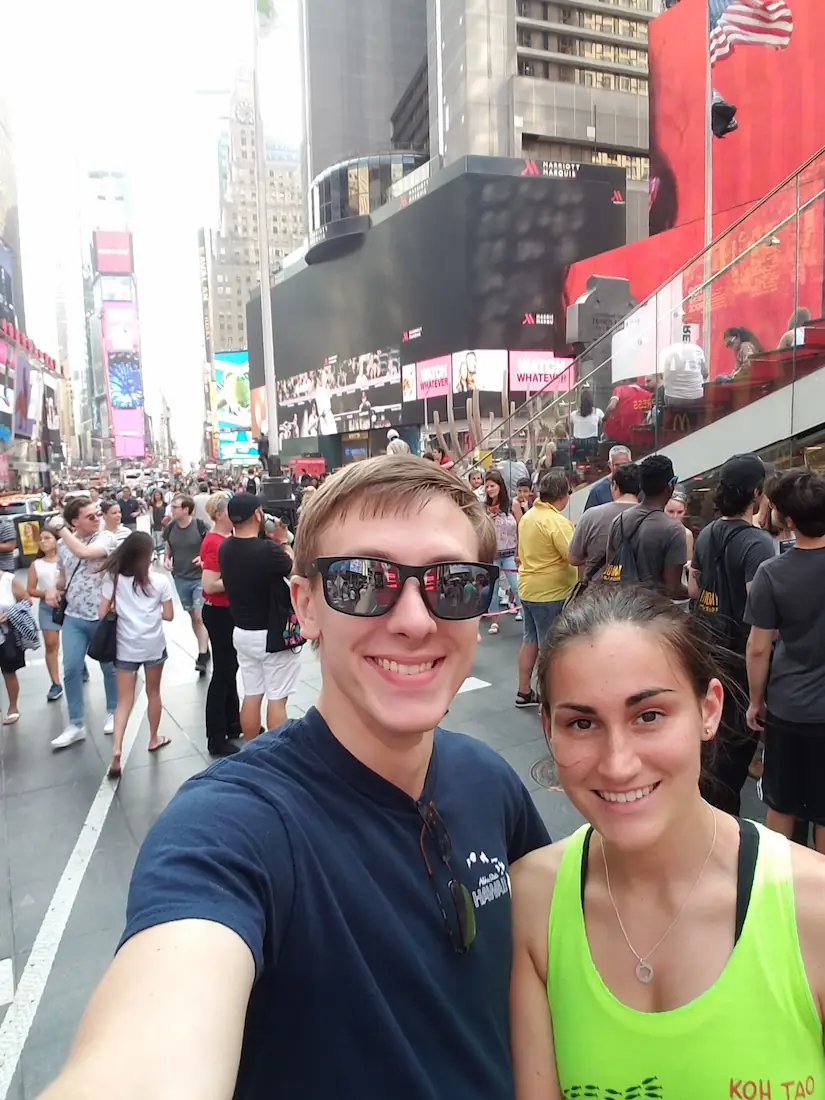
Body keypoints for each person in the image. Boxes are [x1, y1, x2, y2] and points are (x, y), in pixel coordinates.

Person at [41, 455, 550, 1100]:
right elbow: (155, 1034)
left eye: (453, 583)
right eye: (364, 581)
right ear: (306, 606)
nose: (416, 620)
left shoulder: (491, 784)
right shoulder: (234, 830)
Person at [510, 585, 825, 1100]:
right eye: (581, 723)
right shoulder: (533, 898)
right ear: (548, 729)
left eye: (649, 716)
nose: (618, 763)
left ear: (708, 710)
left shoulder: (813, 909)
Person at [688, 454, 775, 816]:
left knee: (710, 738)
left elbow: (693, 588)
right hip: (739, 656)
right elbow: (761, 610)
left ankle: (703, 812)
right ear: (756, 493)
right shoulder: (757, 543)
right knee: (733, 750)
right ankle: (721, 826)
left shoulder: (707, 532)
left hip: (706, 643)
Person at [745, 468, 825, 853]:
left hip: (789, 706)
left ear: (788, 519)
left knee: (782, 803)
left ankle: (775, 889)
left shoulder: (772, 573)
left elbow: (759, 648)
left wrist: (755, 702)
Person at [219, 493, 301, 737]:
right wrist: (283, 541)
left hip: (243, 632)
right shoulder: (268, 550)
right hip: (273, 633)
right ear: (257, 514)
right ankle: (275, 753)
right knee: (277, 698)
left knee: (252, 694)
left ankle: (252, 749)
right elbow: (296, 571)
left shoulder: (225, 548)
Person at [99, 532, 174, 780]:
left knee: (124, 701)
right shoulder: (160, 581)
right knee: (153, 693)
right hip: (152, 645)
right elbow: (169, 615)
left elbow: (102, 613)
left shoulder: (113, 579)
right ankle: (153, 738)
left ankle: (117, 748)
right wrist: (149, 614)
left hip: (125, 646)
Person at [45, 498, 118, 749]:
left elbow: (85, 553)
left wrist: (60, 528)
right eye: (90, 516)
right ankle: (76, 723)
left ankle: (113, 711)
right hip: (74, 616)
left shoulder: (105, 538)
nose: (97, 518)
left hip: (101, 614)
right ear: (75, 521)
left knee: (109, 666)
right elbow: (63, 575)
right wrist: (54, 589)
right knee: (71, 668)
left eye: (97, 514)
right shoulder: (63, 544)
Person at [515, 471, 576, 708]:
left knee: (530, 639)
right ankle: (551, 698)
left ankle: (523, 691)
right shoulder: (556, 522)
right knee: (550, 647)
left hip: (528, 588)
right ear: (563, 495)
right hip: (551, 592)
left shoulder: (529, 516)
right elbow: (573, 555)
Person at [603, 454, 687, 599]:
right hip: (653, 613)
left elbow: (611, 568)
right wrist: (694, 592)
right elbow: (672, 588)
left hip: (623, 608)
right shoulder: (674, 530)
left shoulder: (620, 520)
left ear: (641, 485)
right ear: (671, 485)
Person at [200, 491, 242, 758]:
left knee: (230, 668)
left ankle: (233, 723)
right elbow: (209, 584)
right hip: (219, 612)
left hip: (229, 611)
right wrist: (240, 577)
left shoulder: (226, 539)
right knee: (224, 671)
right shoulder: (214, 542)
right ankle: (215, 736)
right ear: (218, 514)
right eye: (230, 510)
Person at [568, 461, 640, 586]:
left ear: (615, 485)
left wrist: (594, 557)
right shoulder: (652, 517)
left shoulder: (591, 515)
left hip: (597, 593)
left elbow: (573, 558)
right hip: (639, 596)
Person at [163, 494, 210, 675]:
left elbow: (210, 545)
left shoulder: (199, 526)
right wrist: (167, 559)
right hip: (180, 577)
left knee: (199, 616)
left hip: (199, 577)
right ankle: (204, 644)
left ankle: (202, 654)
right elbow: (169, 546)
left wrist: (204, 558)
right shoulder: (170, 527)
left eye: (175, 507)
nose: (172, 509)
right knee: (192, 616)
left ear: (186, 509)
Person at [483, 470, 521, 636]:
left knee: (517, 585)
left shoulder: (512, 505)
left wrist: (520, 551)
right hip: (492, 554)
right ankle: (494, 621)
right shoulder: (484, 507)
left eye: (492, 485)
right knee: (493, 588)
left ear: (500, 486)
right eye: (487, 486)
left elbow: (522, 527)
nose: (489, 489)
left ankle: (525, 615)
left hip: (510, 553)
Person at [27, 526, 63, 701]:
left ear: (57, 540)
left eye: (47, 538)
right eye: (41, 539)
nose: (43, 542)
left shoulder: (65, 560)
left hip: (68, 605)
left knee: (74, 642)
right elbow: (31, 589)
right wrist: (47, 593)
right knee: (51, 644)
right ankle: (55, 682)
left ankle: (79, 666)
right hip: (47, 607)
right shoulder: (36, 565)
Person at [0, 567, 30, 725]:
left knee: (8, 671)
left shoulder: (8, 580)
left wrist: (10, 614)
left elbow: (27, 601)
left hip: (5, 635)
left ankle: (13, 707)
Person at [583, 445, 633, 511]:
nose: (621, 468)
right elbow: (589, 518)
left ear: (631, 463)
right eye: (617, 465)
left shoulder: (640, 486)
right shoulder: (597, 490)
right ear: (610, 464)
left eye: (624, 464)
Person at [602, 379, 653, 444]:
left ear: (625, 380)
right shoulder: (647, 394)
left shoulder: (619, 389)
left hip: (617, 432)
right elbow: (647, 416)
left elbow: (611, 407)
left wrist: (604, 419)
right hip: (635, 434)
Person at [569, 387, 603, 462]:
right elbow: (603, 424)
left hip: (577, 444)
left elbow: (569, 425)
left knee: (572, 448)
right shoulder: (598, 412)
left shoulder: (573, 414)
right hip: (593, 444)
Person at [664, 491, 694, 564]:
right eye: (670, 511)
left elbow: (689, 563)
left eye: (680, 512)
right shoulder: (653, 530)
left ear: (685, 511)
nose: (675, 516)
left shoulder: (687, 534)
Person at [148, 488, 166, 559]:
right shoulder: (152, 504)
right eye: (156, 495)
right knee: (154, 536)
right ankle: (155, 551)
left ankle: (162, 550)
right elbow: (150, 513)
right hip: (155, 522)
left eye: (158, 495)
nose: (157, 497)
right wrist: (151, 520)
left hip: (162, 522)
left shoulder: (165, 504)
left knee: (162, 536)